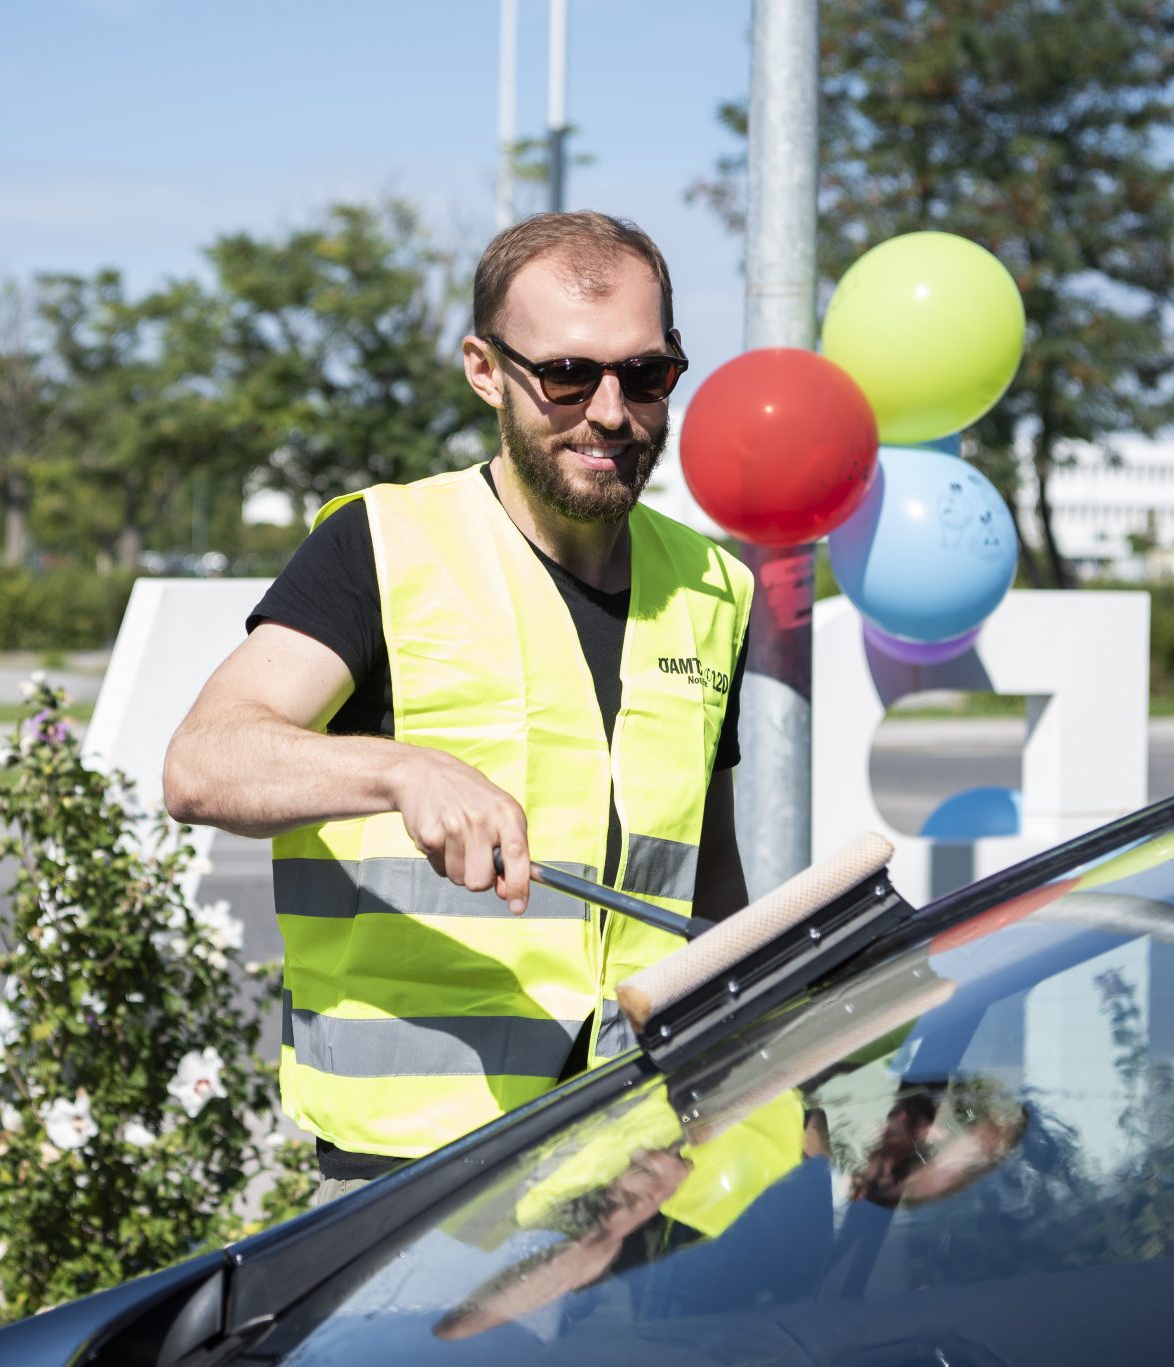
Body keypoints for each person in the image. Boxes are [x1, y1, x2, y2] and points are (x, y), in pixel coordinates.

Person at [163, 210, 754, 1204]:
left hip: (647, 1154)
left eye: (645, 375)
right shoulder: (381, 544)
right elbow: (202, 762)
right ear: (485, 369)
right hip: (415, 1184)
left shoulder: (711, 585)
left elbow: (709, 882)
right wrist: (400, 767)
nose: (610, 411)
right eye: (567, 374)